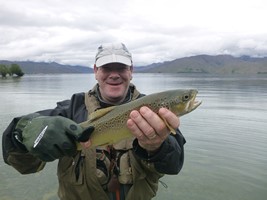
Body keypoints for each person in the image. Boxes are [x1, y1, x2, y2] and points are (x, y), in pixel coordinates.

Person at [2, 43, 186, 200]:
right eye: (107, 68)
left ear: (131, 71)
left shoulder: (152, 110)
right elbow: (23, 163)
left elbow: (174, 164)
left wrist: (157, 146)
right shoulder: (70, 110)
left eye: (121, 68)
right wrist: (23, 130)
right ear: (96, 71)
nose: (114, 75)